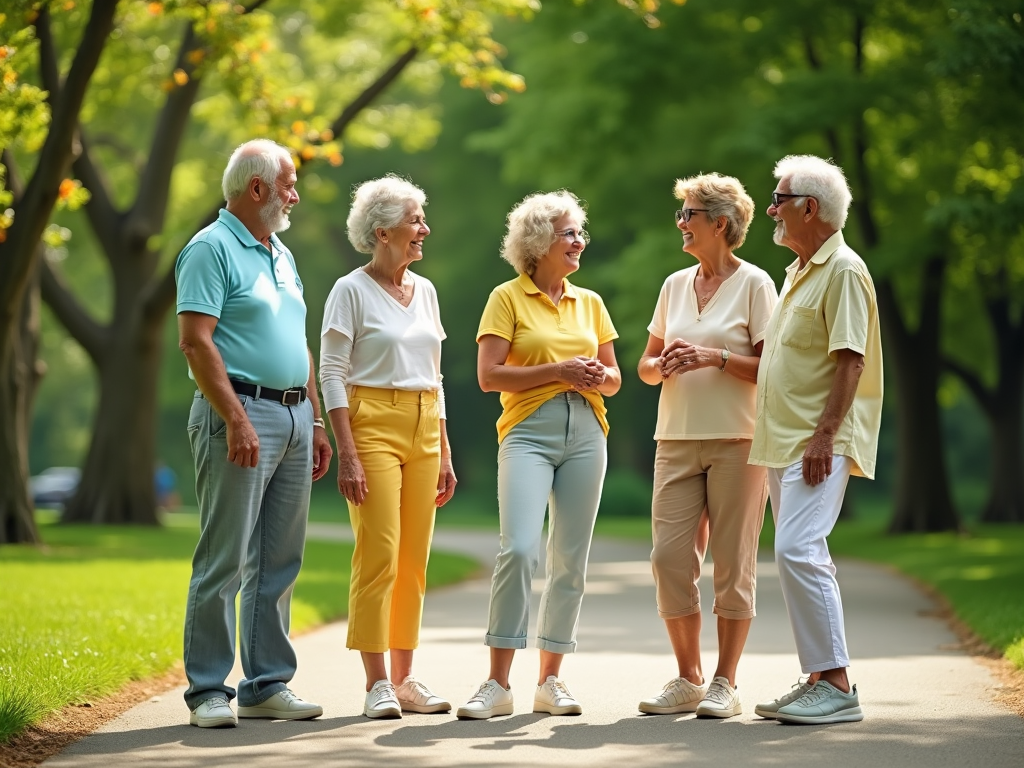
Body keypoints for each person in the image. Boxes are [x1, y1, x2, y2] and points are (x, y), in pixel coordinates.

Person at [176, 139, 333, 728]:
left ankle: (266, 683)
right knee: (225, 558)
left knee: (279, 560)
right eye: (289, 184)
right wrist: (236, 418)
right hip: (239, 414)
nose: (295, 195)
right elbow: (196, 340)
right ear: (257, 188)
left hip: (293, 416)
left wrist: (314, 418)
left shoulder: (281, 252)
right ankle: (207, 691)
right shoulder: (210, 249)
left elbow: (298, 340)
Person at [457, 190, 621, 721]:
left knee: (570, 559)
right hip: (527, 432)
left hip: (587, 433)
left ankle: (551, 681)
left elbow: (615, 378)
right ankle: (497, 682)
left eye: (580, 232)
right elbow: (488, 376)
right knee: (520, 549)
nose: (579, 242)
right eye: (569, 233)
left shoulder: (590, 303)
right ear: (538, 241)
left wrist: (598, 375)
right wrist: (559, 371)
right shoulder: (506, 298)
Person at [636, 174, 777, 719]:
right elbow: (646, 367)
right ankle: (688, 677)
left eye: (688, 214)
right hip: (674, 438)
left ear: (720, 223)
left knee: (732, 563)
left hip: (739, 441)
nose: (680, 224)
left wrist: (715, 358)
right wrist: (662, 363)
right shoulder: (674, 285)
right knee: (669, 559)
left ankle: (726, 680)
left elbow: (773, 369)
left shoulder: (756, 285)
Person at [749, 155, 882, 724]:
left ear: (810, 207)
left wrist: (825, 435)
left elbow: (850, 360)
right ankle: (818, 677)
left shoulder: (844, 270)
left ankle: (839, 684)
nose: (772, 209)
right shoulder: (800, 271)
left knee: (798, 550)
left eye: (779, 199)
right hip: (785, 439)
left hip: (816, 439)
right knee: (801, 555)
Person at [320, 175, 457, 719]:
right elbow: (332, 373)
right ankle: (376, 682)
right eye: (415, 219)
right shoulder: (349, 290)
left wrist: (444, 451)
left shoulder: (425, 290)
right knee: (378, 551)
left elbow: (436, 376)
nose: (424, 228)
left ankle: (405, 680)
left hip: (424, 424)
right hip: (370, 421)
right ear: (382, 232)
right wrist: (347, 451)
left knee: (414, 559)